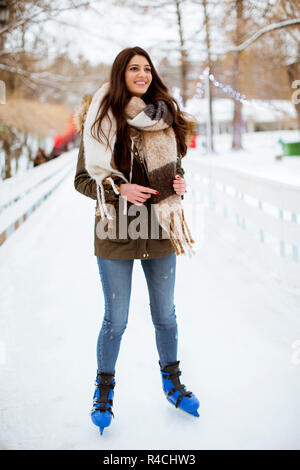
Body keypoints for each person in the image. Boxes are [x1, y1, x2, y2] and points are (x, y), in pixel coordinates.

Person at [74, 46, 200, 436]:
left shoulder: (165, 117)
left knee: (165, 315)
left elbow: (175, 173)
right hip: (116, 233)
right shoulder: (100, 121)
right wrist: (119, 190)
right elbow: (83, 181)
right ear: (121, 73)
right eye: (134, 68)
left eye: (147, 68)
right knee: (116, 320)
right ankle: (104, 392)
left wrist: (181, 183)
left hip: (160, 232)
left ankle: (172, 383)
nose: (142, 74)